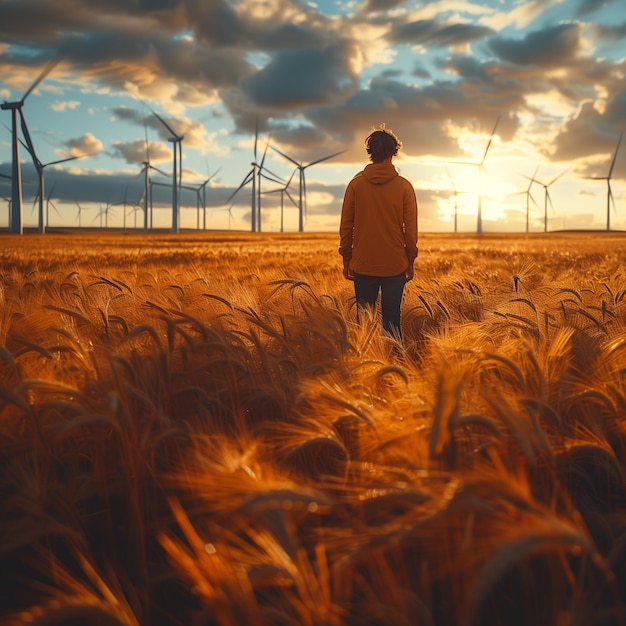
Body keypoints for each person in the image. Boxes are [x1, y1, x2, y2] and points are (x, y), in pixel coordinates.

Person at [339, 124, 418, 341]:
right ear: (394, 153)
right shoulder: (404, 187)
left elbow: (346, 226)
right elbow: (410, 231)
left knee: (364, 322)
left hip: (363, 263)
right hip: (395, 264)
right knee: (393, 320)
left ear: (370, 153)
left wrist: (347, 258)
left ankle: (365, 368)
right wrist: (410, 260)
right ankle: (397, 365)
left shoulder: (355, 186)